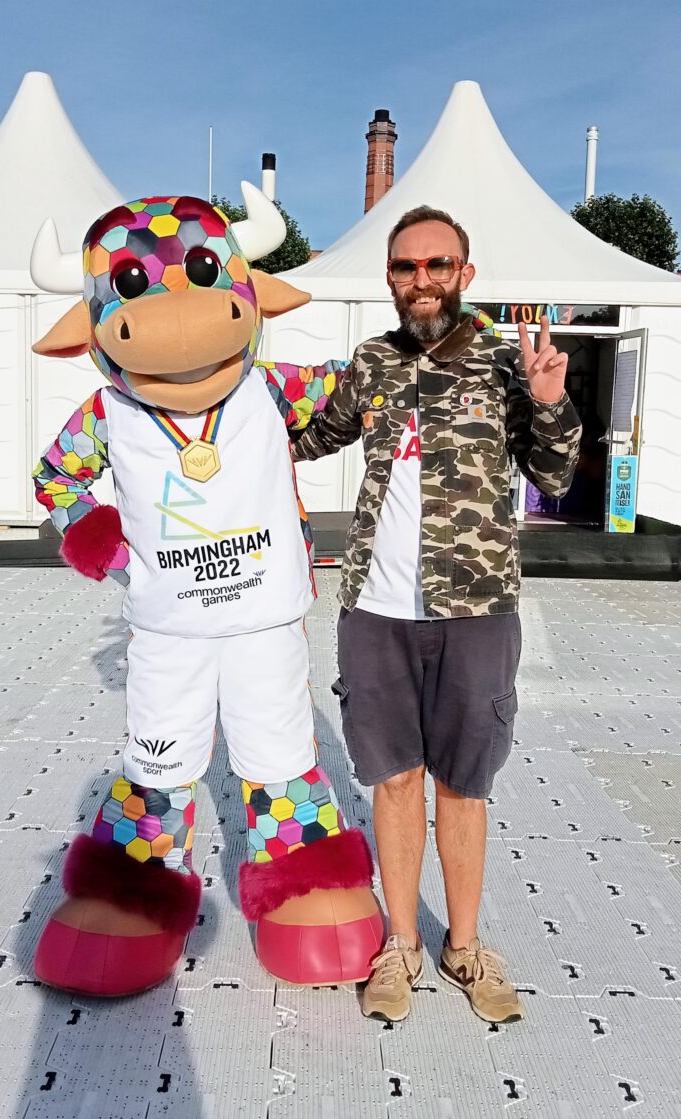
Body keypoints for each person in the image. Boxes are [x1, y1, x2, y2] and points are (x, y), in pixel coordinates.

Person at [292, 206, 582, 1023]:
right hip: (376, 611)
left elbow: (554, 476)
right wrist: (215, 406)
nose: (422, 279)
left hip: (477, 608)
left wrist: (553, 402)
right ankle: (400, 946)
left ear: (465, 273)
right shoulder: (372, 362)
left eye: (437, 264)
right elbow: (312, 435)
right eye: (405, 267)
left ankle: (463, 944)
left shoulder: (503, 363)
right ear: (389, 278)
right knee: (392, 783)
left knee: (463, 784)